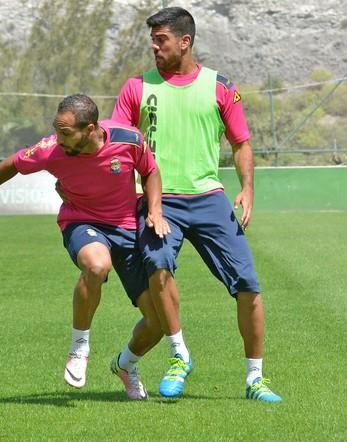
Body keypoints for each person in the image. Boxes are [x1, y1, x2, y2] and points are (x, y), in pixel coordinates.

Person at [0, 94, 170, 400]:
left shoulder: (128, 139)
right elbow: (12, 165)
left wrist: (155, 209)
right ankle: (79, 347)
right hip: (81, 221)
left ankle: (126, 365)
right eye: (56, 129)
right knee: (96, 265)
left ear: (90, 129)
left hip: (127, 230)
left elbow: (150, 171)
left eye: (65, 132)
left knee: (158, 323)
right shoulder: (51, 150)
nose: (57, 138)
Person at [110, 7, 282, 402]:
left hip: (209, 198)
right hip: (158, 200)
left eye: (161, 40)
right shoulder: (136, 87)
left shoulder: (221, 87)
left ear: (185, 42)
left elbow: (241, 143)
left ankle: (255, 378)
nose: (154, 47)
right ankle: (178, 355)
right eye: (152, 40)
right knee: (158, 266)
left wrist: (247, 188)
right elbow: (117, 141)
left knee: (249, 286)